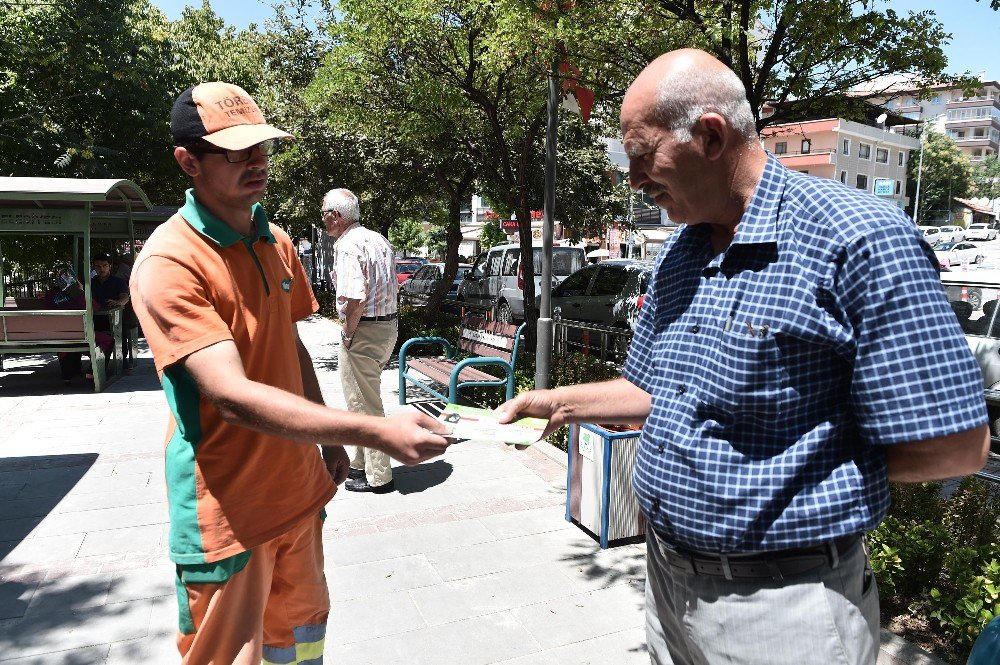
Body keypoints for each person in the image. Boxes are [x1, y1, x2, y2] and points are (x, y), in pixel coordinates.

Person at [498, 49, 990, 665]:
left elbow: (956, 445)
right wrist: (554, 402)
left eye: (642, 156)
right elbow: (658, 391)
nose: (634, 180)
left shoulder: (859, 239)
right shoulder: (684, 248)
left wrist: (802, 479)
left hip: (785, 607)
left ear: (709, 135)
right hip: (667, 585)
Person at [130, 81, 451, 664]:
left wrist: (328, 438)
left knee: (301, 646)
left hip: (299, 495)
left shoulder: (275, 240)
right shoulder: (169, 261)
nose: (256, 162)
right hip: (230, 513)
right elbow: (229, 396)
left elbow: (292, 346)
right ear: (188, 162)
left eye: (261, 147)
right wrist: (375, 431)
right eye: (235, 152)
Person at [322, 188, 400, 493]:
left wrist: (348, 333)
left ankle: (380, 478)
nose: (324, 220)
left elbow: (354, 299)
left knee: (366, 404)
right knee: (362, 398)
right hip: (387, 327)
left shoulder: (347, 246)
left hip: (364, 330)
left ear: (337, 217)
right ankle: (358, 464)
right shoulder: (377, 239)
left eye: (325, 214)